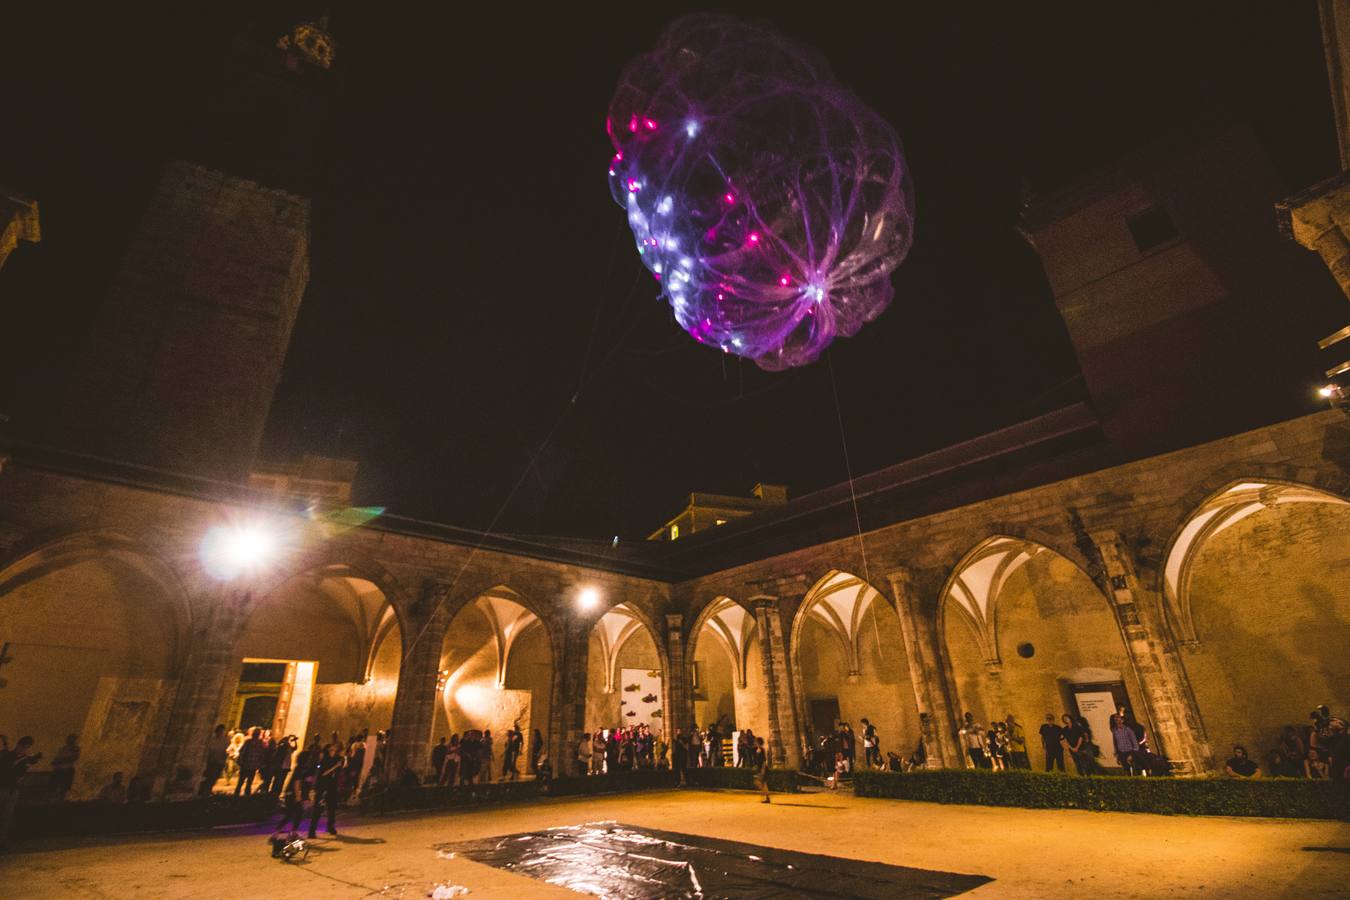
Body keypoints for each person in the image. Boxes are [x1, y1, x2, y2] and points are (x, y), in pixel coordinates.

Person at [0, 736, 42, 849]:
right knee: (4, 816)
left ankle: (2, 840)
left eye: (27, 747)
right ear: (19, 745)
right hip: (4, 788)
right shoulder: (8, 756)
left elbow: (21, 772)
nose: (25, 749)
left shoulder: (22, 758)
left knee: (6, 817)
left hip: (12, 790)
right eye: (24, 746)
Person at [309, 743, 344, 838]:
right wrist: (335, 767)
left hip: (332, 786)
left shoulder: (338, 759)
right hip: (323, 786)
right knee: (318, 809)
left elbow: (339, 771)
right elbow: (323, 773)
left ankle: (330, 827)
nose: (334, 749)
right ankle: (312, 830)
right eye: (332, 748)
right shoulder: (324, 760)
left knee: (332, 808)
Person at [234, 728, 266, 796]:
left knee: (242, 781)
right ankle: (245, 795)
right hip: (250, 765)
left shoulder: (250, 742)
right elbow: (262, 755)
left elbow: (242, 751)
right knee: (247, 782)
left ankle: (238, 795)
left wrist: (240, 761)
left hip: (248, 765)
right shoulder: (258, 743)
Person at [200, 724, 230, 796]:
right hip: (211, 761)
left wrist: (225, 759)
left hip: (220, 762)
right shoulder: (212, 740)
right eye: (220, 731)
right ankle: (205, 791)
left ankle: (208, 790)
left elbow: (227, 751)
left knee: (214, 777)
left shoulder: (225, 741)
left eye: (223, 731)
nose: (221, 732)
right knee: (209, 777)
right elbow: (208, 750)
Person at [50, 734, 81, 800]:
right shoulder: (62, 748)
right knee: (55, 785)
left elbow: (73, 758)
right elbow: (57, 758)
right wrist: (56, 761)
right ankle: (56, 798)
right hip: (59, 769)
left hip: (67, 769)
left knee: (65, 787)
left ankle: (61, 798)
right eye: (69, 739)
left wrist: (60, 761)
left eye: (72, 739)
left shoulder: (75, 749)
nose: (69, 740)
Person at [753, 736, 770, 804]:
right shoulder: (758, 749)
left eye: (756, 741)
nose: (755, 742)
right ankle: (766, 797)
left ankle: (766, 797)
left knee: (762, 783)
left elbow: (763, 760)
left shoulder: (762, 749)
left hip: (762, 768)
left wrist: (763, 769)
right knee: (763, 783)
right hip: (760, 768)